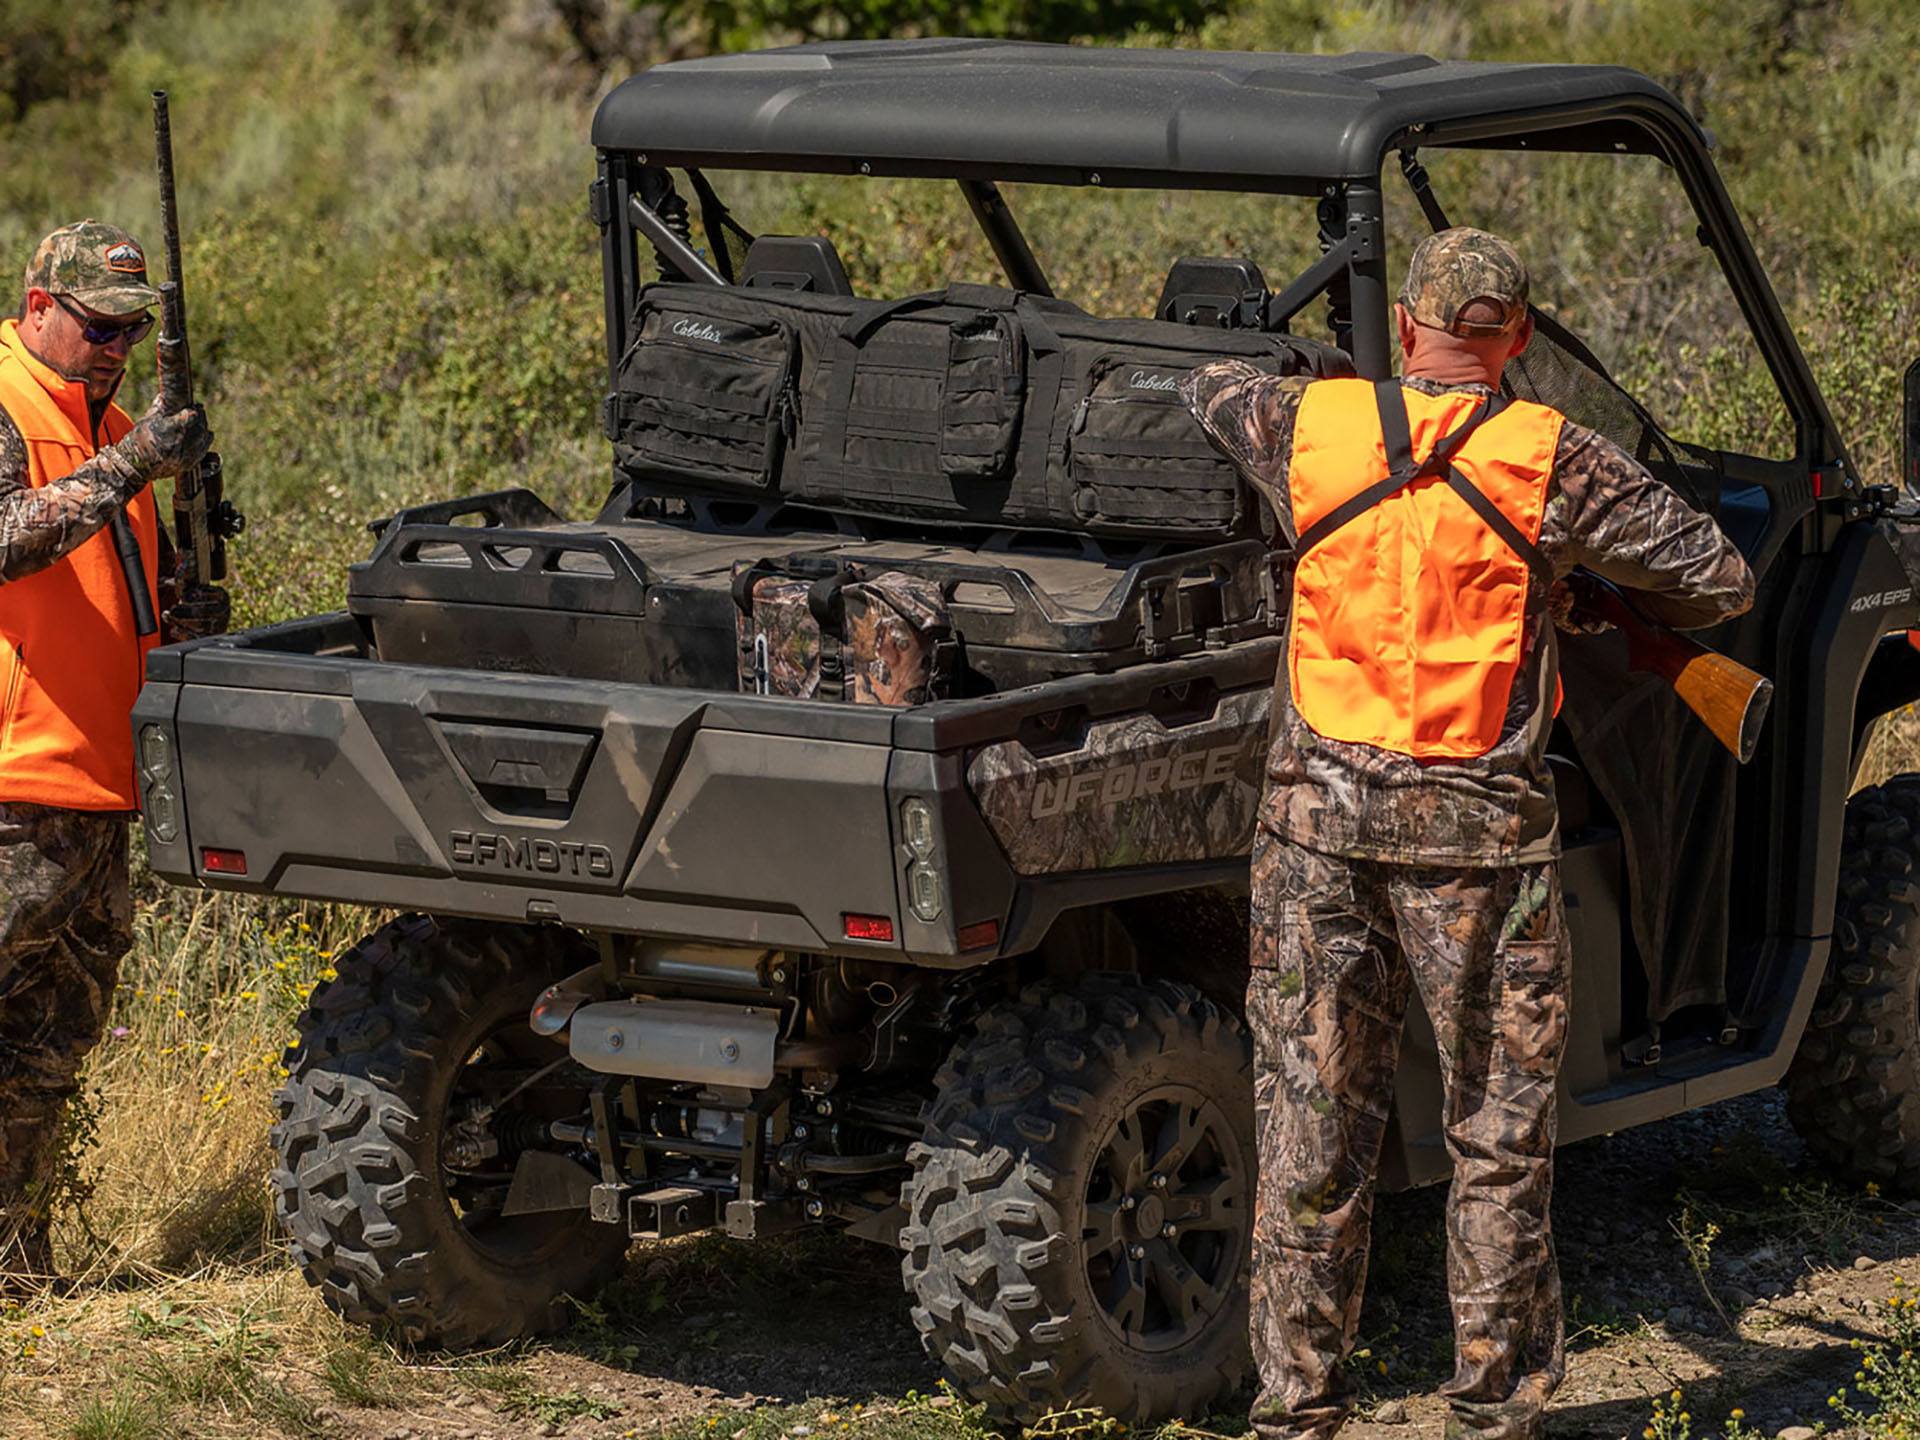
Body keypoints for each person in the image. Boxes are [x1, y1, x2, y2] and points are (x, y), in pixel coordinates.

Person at [1182, 228, 1755, 1440]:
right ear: (1521, 340)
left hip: (1315, 841)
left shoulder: (1308, 426)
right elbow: (1721, 579)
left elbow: (1204, 387)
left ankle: (1298, 1412)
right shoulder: (1555, 456)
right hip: (1483, 852)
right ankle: (1492, 1414)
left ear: (1403, 335)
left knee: (1307, 1125)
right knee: (1494, 1140)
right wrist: (1564, 580)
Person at [0, 219, 222, 1288]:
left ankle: (15, 1267)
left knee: (51, 1050)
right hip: (10, 788)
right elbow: (6, 538)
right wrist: (138, 460)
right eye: (98, 324)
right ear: (38, 302)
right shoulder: (5, 402)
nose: (117, 347)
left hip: (97, 789)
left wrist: (190, 611)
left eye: (131, 330)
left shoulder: (120, 423)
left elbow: (124, 599)